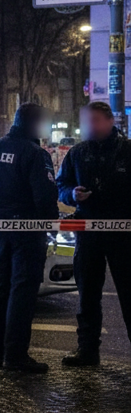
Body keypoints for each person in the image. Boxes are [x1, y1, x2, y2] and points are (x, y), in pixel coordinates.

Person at [0, 103, 58, 373]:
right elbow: (44, 195)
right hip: (28, 231)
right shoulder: (35, 154)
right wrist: (50, 224)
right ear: (34, 124)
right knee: (23, 290)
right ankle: (15, 354)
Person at [56, 101, 131, 366]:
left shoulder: (127, 151)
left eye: (96, 120)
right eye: (88, 122)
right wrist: (72, 194)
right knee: (87, 294)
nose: (92, 127)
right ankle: (87, 350)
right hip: (88, 233)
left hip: (123, 235)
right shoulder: (78, 152)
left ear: (110, 121)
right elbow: (61, 184)